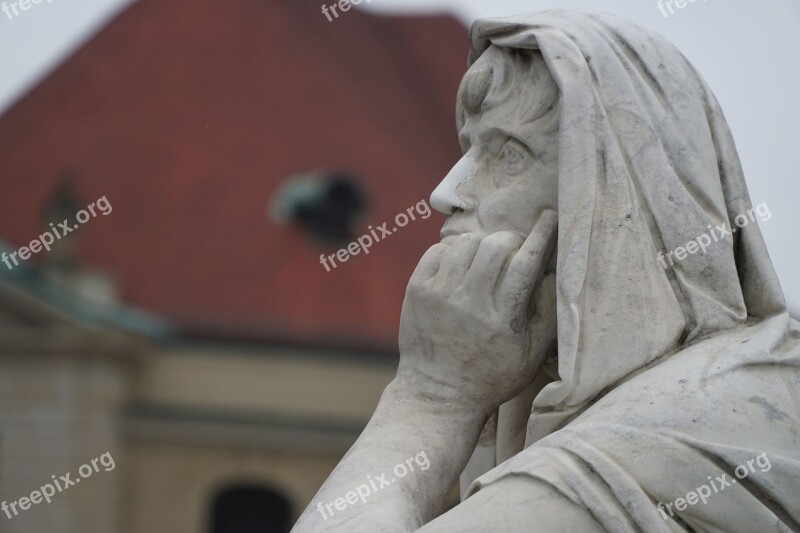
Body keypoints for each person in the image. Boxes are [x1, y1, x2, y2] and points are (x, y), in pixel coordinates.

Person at [293, 11, 800, 532]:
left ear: (612, 199)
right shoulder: (541, 410)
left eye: (508, 155)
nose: (444, 193)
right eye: (469, 150)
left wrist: (431, 398)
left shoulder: (675, 434)